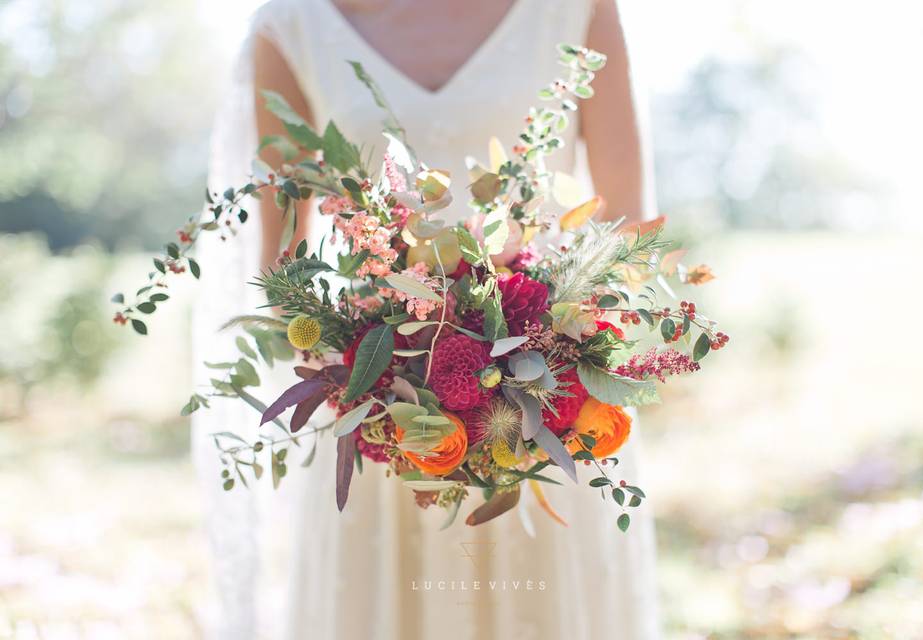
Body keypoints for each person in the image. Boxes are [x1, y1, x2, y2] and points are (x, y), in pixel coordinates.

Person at [192, 0, 660, 638]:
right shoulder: (292, 26)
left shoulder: (578, 11)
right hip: (380, 413)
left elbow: (628, 235)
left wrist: (537, 364)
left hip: (552, 407)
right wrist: (380, 371)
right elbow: (282, 270)